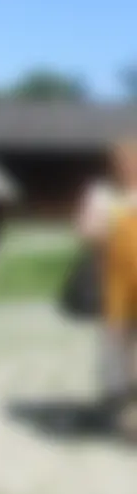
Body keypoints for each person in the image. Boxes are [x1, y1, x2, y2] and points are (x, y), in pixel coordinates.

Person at [80, 139, 137, 440]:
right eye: (123, 160)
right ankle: (120, 409)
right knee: (117, 345)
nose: (129, 166)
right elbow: (88, 232)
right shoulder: (102, 195)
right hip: (116, 281)